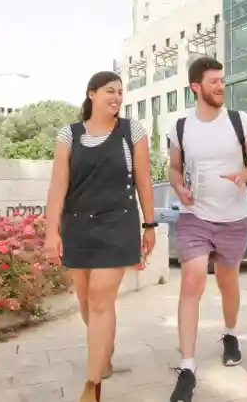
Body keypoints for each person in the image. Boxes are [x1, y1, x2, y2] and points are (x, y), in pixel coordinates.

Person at [43, 71, 158, 402]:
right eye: (110, 91)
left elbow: (144, 181)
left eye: (121, 92)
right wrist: (52, 231)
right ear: (91, 94)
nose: (117, 97)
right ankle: (103, 350)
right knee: (85, 301)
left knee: (99, 299)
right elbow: (58, 186)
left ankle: (93, 385)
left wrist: (149, 225)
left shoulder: (131, 131)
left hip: (117, 224)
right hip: (77, 225)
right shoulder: (70, 135)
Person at [166, 57, 247, 402]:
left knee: (227, 281)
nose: (221, 86)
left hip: (235, 218)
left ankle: (230, 333)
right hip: (195, 216)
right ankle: (188, 367)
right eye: (214, 82)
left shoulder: (240, 121)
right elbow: (174, 169)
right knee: (192, 281)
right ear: (196, 87)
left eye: (222, 81)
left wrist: (245, 176)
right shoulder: (180, 127)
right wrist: (179, 188)